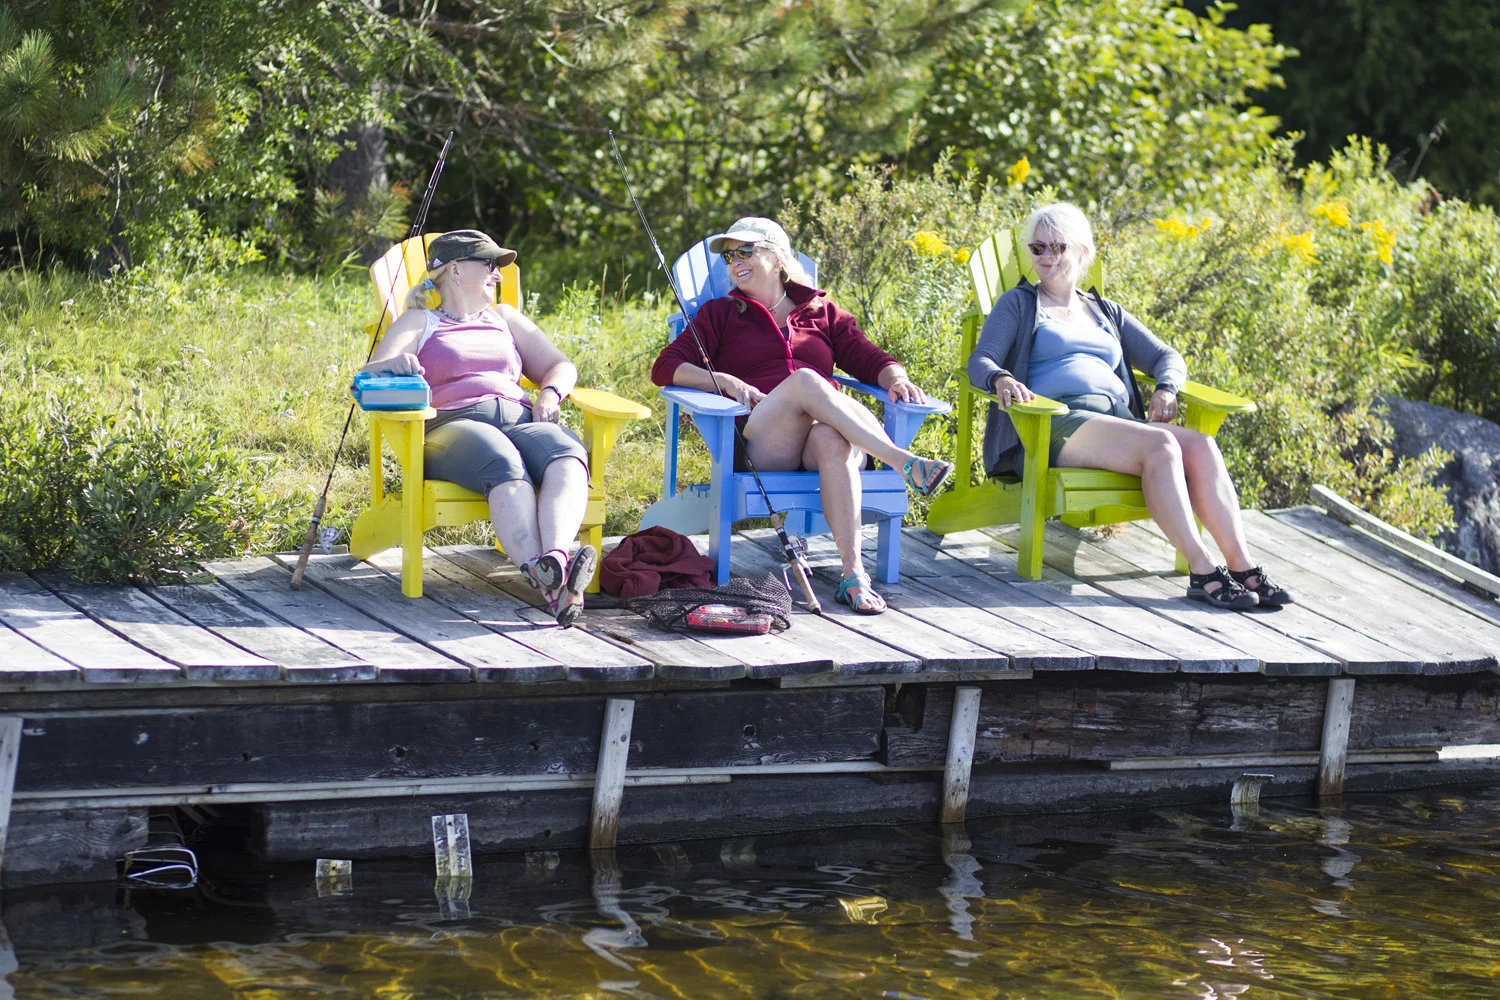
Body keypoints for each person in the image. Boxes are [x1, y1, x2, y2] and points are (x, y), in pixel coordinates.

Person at [967, 203, 1293, 610]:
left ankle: (1242, 565)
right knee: (1161, 445)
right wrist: (1001, 378)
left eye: (1058, 247)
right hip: (1054, 424)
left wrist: (1167, 388)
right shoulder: (1019, 303)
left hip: (1116, 422)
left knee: (1202, 446)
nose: (1046, 256)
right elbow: (980, 360)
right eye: (1037, 248)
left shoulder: (1105, 312)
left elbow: (1167, 356)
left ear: (1083, 252)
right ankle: (1203, 569)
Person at [650, 217, 952, 615]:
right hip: (766, 440)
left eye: (746, 251)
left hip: (821, 441)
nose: (735, 261)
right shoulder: (720, 314)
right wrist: (723, 380)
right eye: (729, 256)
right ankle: (904, 463)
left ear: (778, 257)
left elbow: (870, 358)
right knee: (807, 381)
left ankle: (854, 575)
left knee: (832, 438)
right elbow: (665, 367)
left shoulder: (821, 312)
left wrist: (896, 378)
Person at [361, 229, 596, 625]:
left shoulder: (504, 318)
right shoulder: (420, 321)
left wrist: (550, 394)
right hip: (453, 427)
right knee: (502, 459)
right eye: (489, 264)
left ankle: (554, 560)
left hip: (520, 419)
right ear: (455, 271)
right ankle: (546, 575)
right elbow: (368, 374)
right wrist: (394, 364)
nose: (498, 274)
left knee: (567, 453)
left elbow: (561, 365)